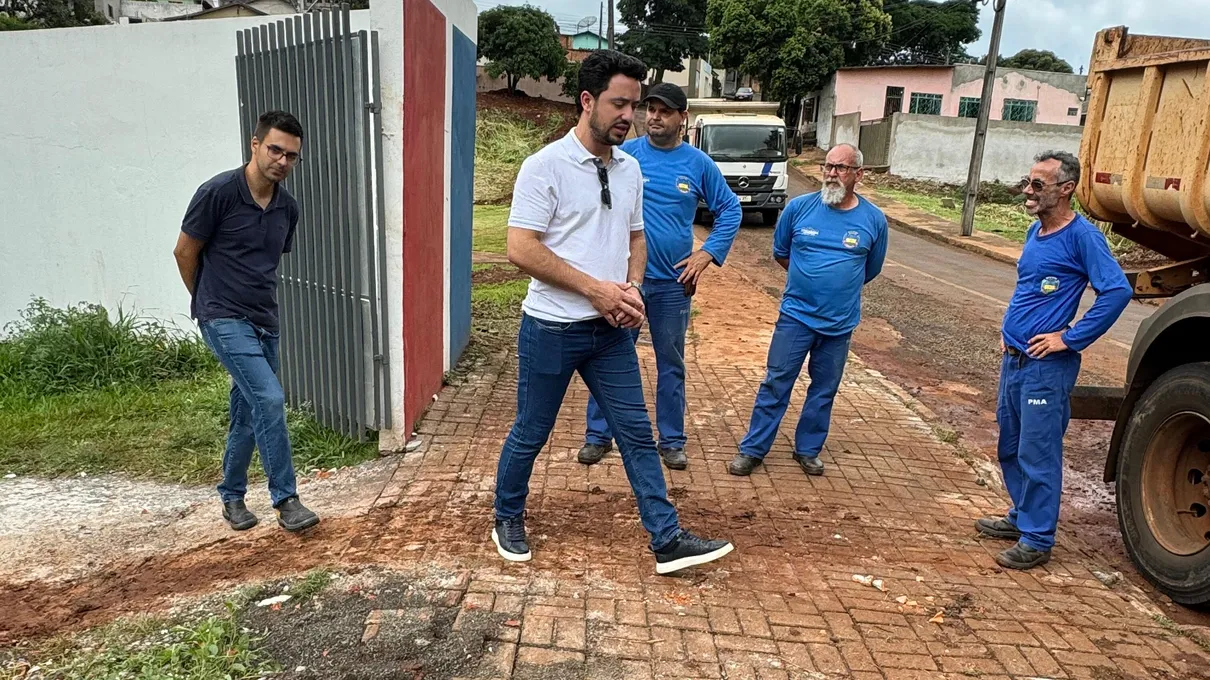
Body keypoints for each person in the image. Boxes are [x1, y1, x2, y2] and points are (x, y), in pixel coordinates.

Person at [492, 50, 734, 575]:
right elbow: (521, 248)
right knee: (531, 431)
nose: (630, 115)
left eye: (635, 105)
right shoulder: (545, 167)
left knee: (635, 433)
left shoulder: (630, 170)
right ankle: (506, 515)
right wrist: (595, 290)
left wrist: (632, 289)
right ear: (587, 101)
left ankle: (666, 538)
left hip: (609, 332)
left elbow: (636, 235)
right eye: (619, 104)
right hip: (551, 328)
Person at [977, 151, 1131, 570]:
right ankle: (1021, 516)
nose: (1028, 191)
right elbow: (1030, 292)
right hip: (1015, 361)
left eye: (1038, 185)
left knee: (1037, 452)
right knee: (1010, 446)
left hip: (1047, 368)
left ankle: (1038, 539)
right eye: (1027, 182)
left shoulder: (1084, 237)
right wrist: (1010, 335)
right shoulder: (1035, 233)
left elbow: (1116, 291)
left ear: (1066, 189)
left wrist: (1070, 338)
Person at [577, 82, 742, 471]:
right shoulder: (623, 156)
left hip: (672, 284)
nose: (653, 116)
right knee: (611, 356)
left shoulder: (698, 164)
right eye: (649, 109)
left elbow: (730, 211)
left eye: (664, 111)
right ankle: (598, 435)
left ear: (683, 118)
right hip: (626, 281)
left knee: (671, 362)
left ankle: (671, 441)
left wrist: (706, 254)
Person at [172, 110, 319, 534]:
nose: (282, 161)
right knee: (270, 399)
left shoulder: (287, 209)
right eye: (275, 150)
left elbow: (264, 264)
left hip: (264, 320)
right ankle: (286, 499)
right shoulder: (217, 192)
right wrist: (204, 302)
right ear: (255, 145)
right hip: (222, 316)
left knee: (248, 412)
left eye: (291, 156)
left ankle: (232, 497)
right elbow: (185, 252)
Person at [728, 144, 887, 478]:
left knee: (824, 389)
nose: (831, 174)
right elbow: (781, 253)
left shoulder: (874, 220)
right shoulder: (799, 209)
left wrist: (835, 286)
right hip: (796, 318)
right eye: (828, 166)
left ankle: (808, 449)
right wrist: (809, 282)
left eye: (841, 168)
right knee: (776, 383)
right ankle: (753, 450)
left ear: (858, 174)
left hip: (839, 325)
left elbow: (869, 269)